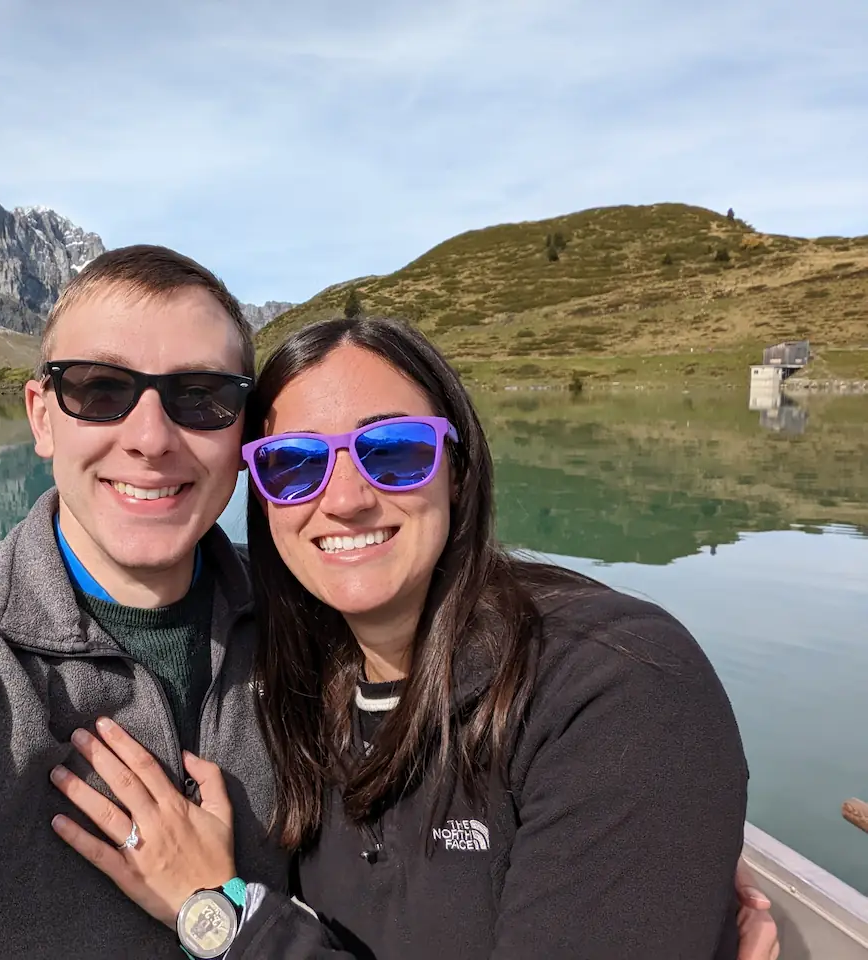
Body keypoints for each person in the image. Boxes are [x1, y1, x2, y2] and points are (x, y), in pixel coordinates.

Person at [0, 250, 775, 960]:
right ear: (40, 414)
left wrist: (218, 912)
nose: (148, 437)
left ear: (233, 447)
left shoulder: (319, 635)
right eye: (100, 389)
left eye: (202, 398)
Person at [49, 316, 775, 959]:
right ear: (261, 495)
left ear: (456, 469)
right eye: (294, 465)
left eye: (393, 451)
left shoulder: (617, 688)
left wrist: (220, 915)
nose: (347, 499)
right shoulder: (301, 693)